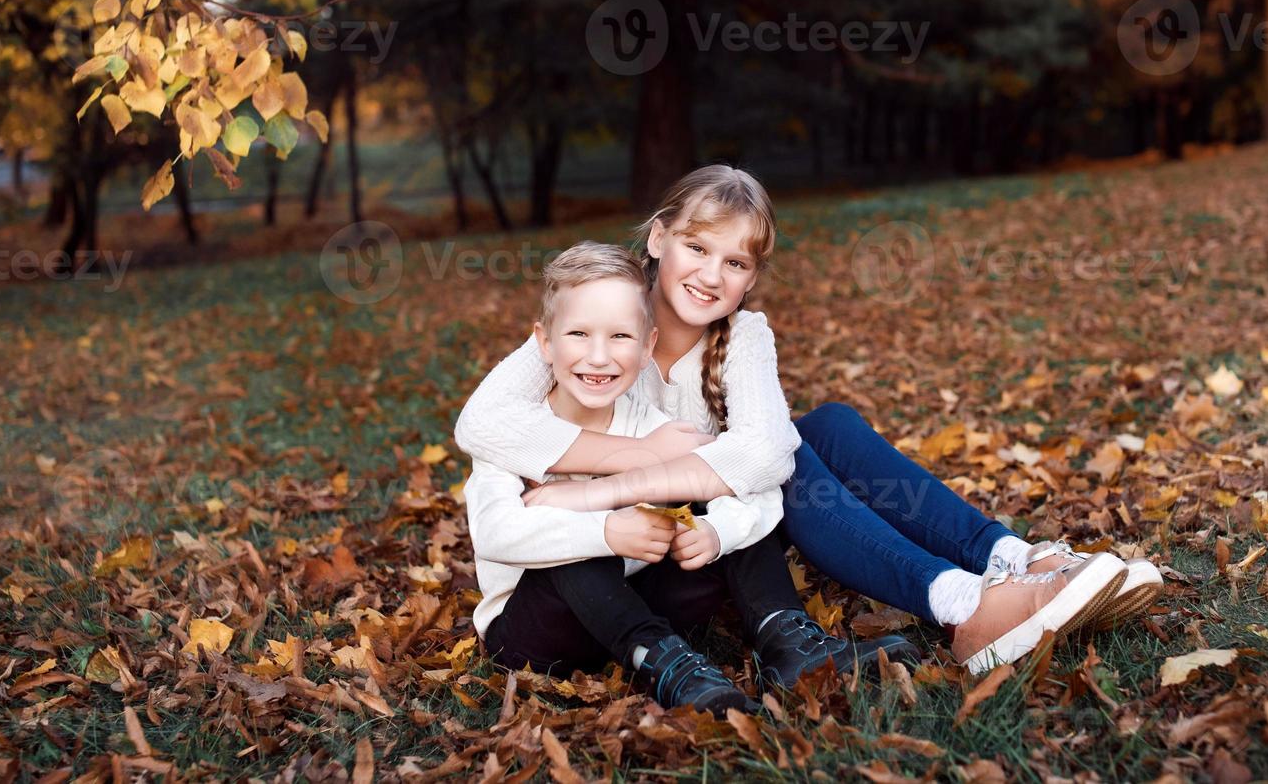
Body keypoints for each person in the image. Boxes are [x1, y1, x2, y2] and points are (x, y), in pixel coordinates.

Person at [456, 167, 1160, 675]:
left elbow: (763, 455)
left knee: (823, 427)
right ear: (657, 238)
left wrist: (600, 484)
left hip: (715, 525)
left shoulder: (744, 336)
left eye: (734, 262)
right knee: (795, 450)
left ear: (751, 278)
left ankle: (1010, 561)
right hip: (647, 552)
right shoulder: (601, 314)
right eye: (696, 248)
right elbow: (480, 422)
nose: (709, 274)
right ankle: (960, 603)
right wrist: (619, 464)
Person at [465, 242, 919, 716]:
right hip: (535, 630)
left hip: (634, 599)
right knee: (573, 550)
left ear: (647, 348)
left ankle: (786, 638)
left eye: (620, 337)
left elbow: (745, 484)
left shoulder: (656, 429)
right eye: (578, 334)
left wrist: (716, 531)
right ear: (544, 343)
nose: (598, 357)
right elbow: (495, 533)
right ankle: (666, 665)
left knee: (717, 494)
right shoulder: (518, 433)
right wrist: (605, 531)